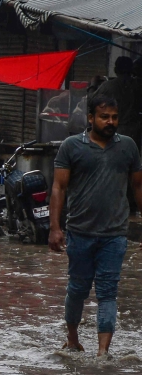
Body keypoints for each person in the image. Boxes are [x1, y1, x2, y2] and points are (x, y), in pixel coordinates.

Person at [49, 93, 142, 356]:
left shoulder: (128, 147)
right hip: (80, 232)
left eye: (114, 117)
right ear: (91, 119)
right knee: (77, 289)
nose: (110, 122)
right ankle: (73, 338)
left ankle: (103, 351)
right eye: (104, 117)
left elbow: (138, 187)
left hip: (115, 235)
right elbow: (59, 187)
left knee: (108, 292)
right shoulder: (71, 146)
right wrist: (55, 227)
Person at [96, 57, 138, 145]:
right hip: (135, 132)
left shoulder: (108, 86)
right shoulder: (138, 85)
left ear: (116, 69)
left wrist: (93, 85)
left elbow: (91, 101)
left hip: (114, 130)